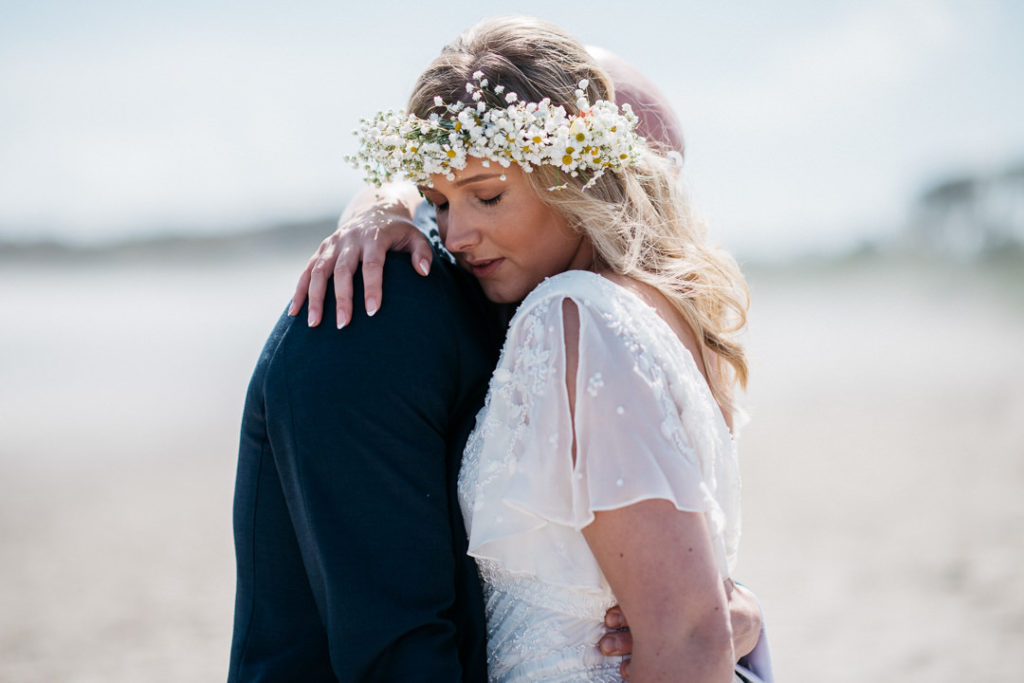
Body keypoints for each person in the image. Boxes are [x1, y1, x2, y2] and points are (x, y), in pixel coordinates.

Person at [289, 16, 768, 683]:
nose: (454, 234)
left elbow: (687, 634)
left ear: (573, 173)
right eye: (439, 202)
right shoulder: (657, 307)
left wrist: (720, 622)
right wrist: (382, 205)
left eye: (486, 196)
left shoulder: (573, 316)